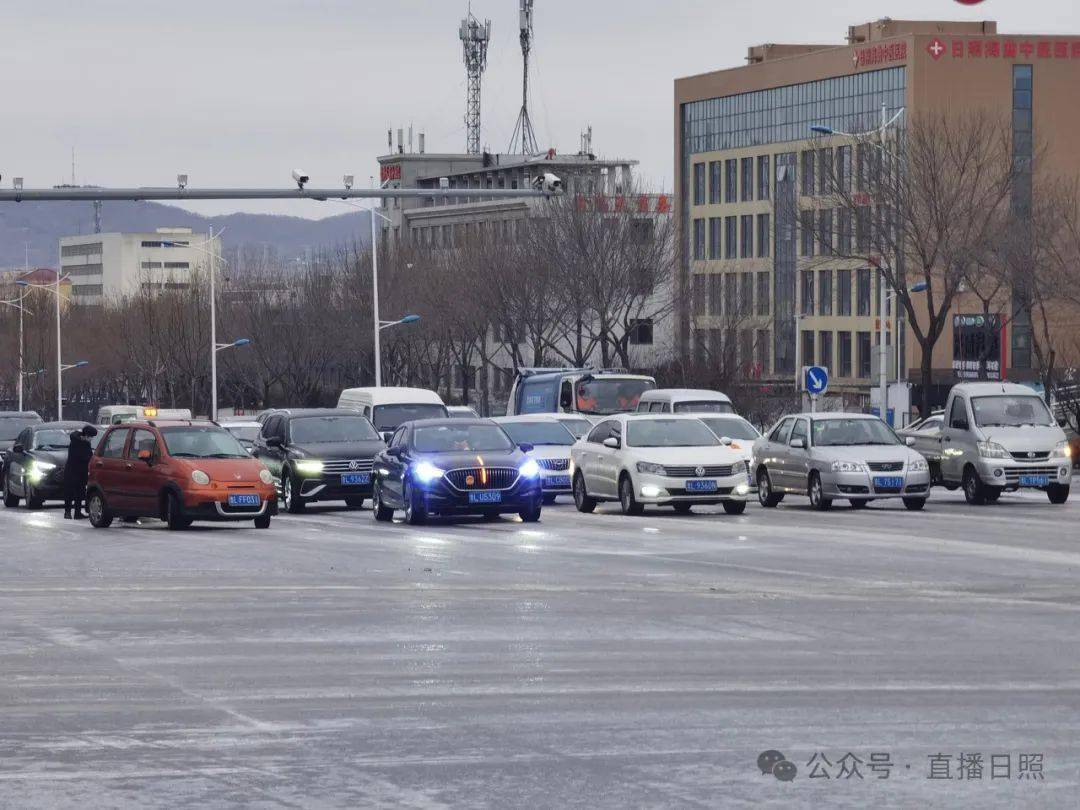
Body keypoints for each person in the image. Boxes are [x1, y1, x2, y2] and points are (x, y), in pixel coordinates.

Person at [63, 425, 97, 520]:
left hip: (81, 472)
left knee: (80, 493)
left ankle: (77, 513)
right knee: (70, 492)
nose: (91, 439)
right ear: (86, 436)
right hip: (72, 470)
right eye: (91, 437)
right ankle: (68, 512)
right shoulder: (76, 442)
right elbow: (84, 457)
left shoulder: (84, 443)